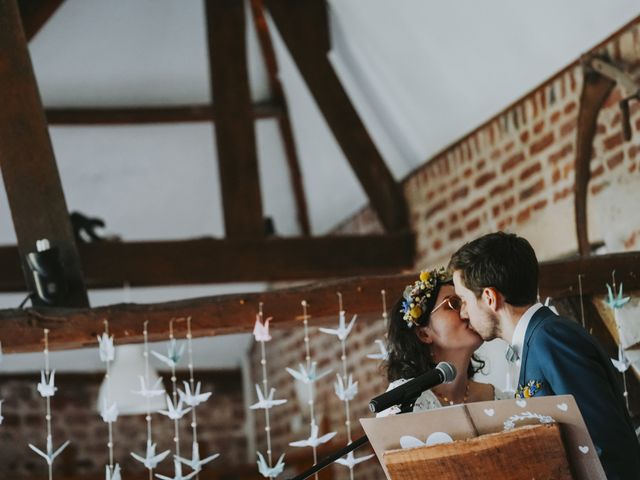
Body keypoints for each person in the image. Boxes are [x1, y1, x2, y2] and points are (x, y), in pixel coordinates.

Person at [449, 231, 640, 480]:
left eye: (463, 300)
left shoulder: (550, 338)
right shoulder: (538, 339)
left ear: (489, 297)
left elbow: (603, 441)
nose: (463, 313)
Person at [378, 267, 508, 417]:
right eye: (453, 304)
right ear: (424, 334)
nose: (467, 312)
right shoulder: (404, 401)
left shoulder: (497, 398)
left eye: (466, 302)